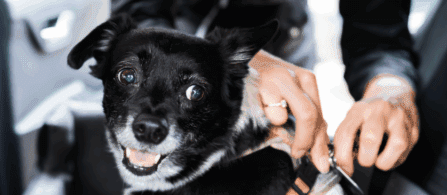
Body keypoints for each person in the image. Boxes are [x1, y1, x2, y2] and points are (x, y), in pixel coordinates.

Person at [110, 0, 419, 177]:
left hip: (285, 39)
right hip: (178, 27)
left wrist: (390, 88)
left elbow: (379, 37)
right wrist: (218, 64)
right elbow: (140, 10)